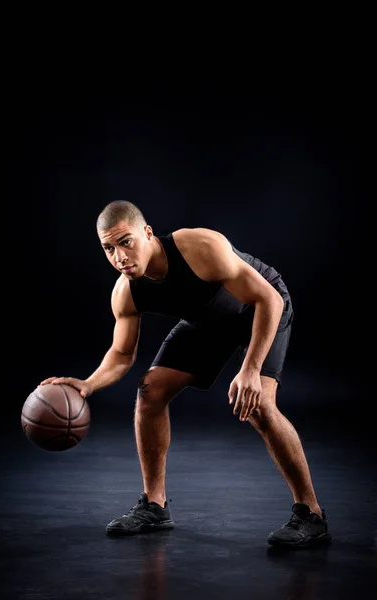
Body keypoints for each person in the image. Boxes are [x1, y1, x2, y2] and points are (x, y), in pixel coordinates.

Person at [41, 200, 331, 548]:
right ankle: (154, 506)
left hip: (259, 308)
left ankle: (311, 514)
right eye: (109, 248)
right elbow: (120, 354)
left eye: (126, 241)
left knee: (260, 406)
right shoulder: (126, 291)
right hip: (208, 321)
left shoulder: (199, 246)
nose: (119, 256)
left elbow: (268, 300)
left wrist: (251, 369)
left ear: (147, 233)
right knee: (150, 391)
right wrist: (87, 385)